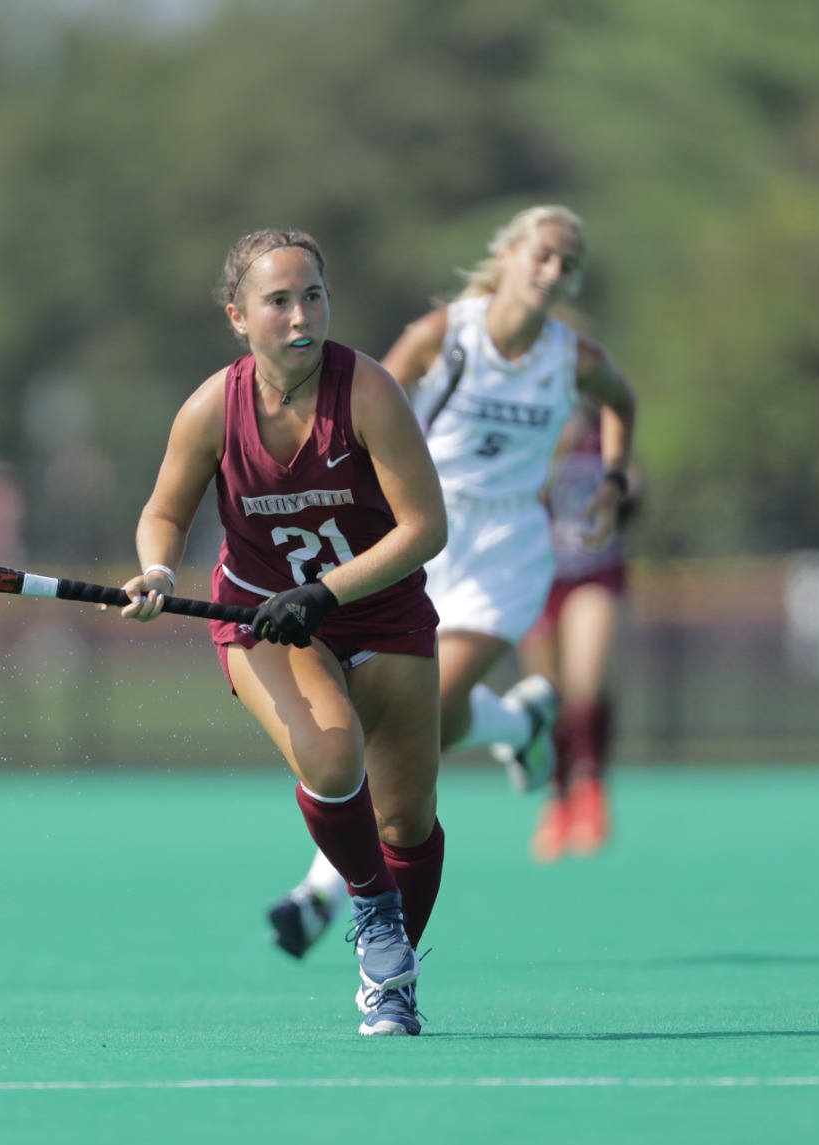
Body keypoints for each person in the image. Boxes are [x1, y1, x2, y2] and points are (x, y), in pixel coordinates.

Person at [267, 203, 636, 958]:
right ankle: (523, 725)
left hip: (508, 548)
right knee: (422, 719)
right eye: (542, 255)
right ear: (507, 257)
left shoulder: (572, 357)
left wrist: (615, 480)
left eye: (568, 264)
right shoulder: (446, 334)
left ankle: (320, 891)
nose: (552, 272)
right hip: (420, 534)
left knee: (418, 716)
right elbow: (357, 405)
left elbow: (620, 402)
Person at [118, 228, 449, 1036]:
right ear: (239, 316)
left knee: (406, 822)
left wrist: (328, 590)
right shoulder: (211, 409)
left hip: (381, 608)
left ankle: (393, 980)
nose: (301, 316)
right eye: (278, 301)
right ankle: (374, 918)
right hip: (266, 617)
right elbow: (164, 512)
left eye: (313, 296)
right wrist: (158, 571)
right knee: (332, 752)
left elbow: (426, 526)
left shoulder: (367, 392)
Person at [521, 404, 633, 861]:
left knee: (585, 681)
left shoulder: (606, 432)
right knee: (549, 694)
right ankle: (558, 794)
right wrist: (554, 452)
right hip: (536, 578)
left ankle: (591, 787)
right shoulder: (527, 433)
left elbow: (632, 492)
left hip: (593, 573)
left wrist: (626, 485)